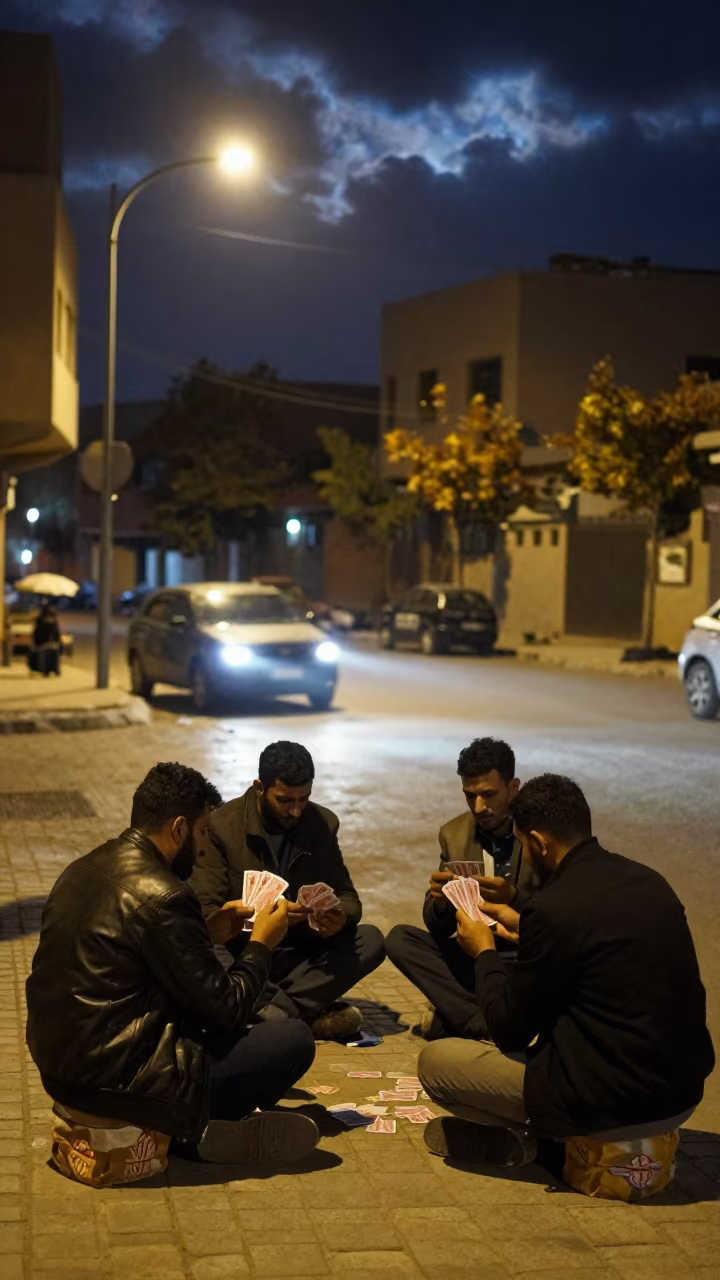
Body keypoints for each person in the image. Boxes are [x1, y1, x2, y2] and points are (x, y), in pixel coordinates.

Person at [26, 762, 319, 1171]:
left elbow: (129, 954)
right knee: (292, 1038)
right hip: (121, 1085)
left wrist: (206, 933)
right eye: (202, 832)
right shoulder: (166, 895)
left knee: (263, 1015)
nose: (203, 848)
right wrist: (261, 945)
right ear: (179, 829)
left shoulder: (82, 867)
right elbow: (226, 1011)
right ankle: (188, 1133)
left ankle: (192, 1126)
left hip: (62, 1072)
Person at [418, 773, 715, 1173]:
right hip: (681, 1096)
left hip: (614, 1106)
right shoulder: (650, 881)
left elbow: (507, 1030)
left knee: (435, 1062)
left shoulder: (555, 907)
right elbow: (599, 948)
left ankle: (550, 1148)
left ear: (539, 843)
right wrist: (527, 928)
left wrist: (483, 952)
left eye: (525, 846)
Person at [189, 740, 385, 1040]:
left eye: (303, 799)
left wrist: (339, 917)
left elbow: (348, 898)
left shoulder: (322, 824)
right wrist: (262, 921)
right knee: (201, 949)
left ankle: (272, 1012)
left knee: (370, 940)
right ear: (259, 788)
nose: (295, 811)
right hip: (244, 954)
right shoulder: (221, 827)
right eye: (284, 800)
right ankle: (297, 1011)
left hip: (298, 955)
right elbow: (207, 915)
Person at [386, 737, 536, 1041]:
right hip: (477, 953)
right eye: (470, 796)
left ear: (513, 788)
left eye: (489, 795)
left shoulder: (537, 830)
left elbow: (564, 909)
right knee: (400, 940)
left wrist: (514, 899)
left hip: (529, 955)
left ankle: (459, 1017)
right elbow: (439, 928)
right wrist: (440, 903)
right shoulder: (454, 834)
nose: (479, 807)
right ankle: (479, 1021)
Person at [30, 603, 61, 676]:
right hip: (41, 643)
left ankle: (54, 669)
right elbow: (37, 635)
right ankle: (46, 669)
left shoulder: (53, 623)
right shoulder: (40, 622)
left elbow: (57, 635)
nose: (49, 618)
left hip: (50, 644)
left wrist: (56, 642)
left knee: (54, 650)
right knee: (46, 650)